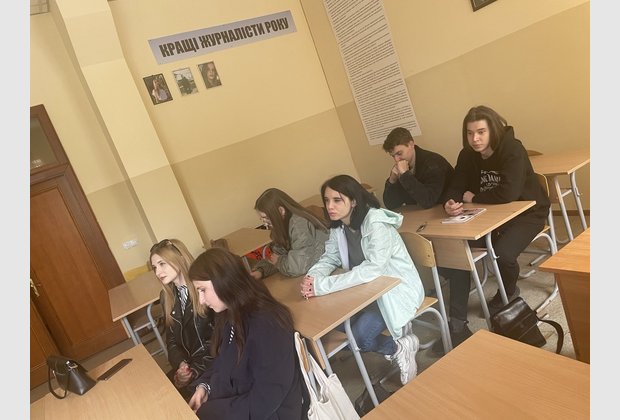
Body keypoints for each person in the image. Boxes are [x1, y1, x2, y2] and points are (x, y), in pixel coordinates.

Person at [436, 105, 550, 353]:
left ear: (493, 130)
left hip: (529, 211)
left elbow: (509, 193)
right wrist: (450, 202)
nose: (474, 139)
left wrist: (473, 197)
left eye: (481, 132)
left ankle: (508, 290)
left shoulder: (512, 149)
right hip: (490, 214)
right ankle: (457, 324)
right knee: (458, 250)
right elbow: (456, 184)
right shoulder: (467, 155)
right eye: (469, 133)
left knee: (503, 253)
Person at [300, 174, 425, 385]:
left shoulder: (376, 223)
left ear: (353, 201)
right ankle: (397, 347)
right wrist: (312, 278)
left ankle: (398, 348)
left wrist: (322, 286)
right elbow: (330, 257)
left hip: (393, 292)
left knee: (358, 339)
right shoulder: (339, 226)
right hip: (364, 292)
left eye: (337, 200)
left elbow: (372, 269)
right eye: (327, 200)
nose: (330, 206)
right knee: (332, 327)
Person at [187, 248, 305, 419]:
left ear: (224, 281)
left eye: (202, 290)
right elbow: (222, 360)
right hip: (240, 405)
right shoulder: (230, 312)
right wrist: (204, 387)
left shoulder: (266, 323)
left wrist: (208, 412)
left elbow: (266, 399)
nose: (201, 300)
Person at [149, 239, 215, 400]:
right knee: (157, 395)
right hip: (189, 366)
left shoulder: (205, 287)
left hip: (212, 364)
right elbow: (171, 340)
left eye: (162, 264)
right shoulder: (167, 296)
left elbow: (220, 340)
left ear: (180, 258)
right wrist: (181, 365)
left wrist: (193, 371)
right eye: (155, 267)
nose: (158, 272)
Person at [250, 188, 329, 280]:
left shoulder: (299, 224)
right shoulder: (282, 225)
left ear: (281, 211)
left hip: (331, 271)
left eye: (267, 218)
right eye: (262, 219)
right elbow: (277, 255)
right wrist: (260, 271)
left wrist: (279, 262)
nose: (265, 224)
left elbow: (298, 267)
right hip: (315, 271)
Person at [382, 127, 454, 210]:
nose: (396, 160)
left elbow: (428, 200)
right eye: (393, 156)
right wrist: (392, 181)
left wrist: (405, 175)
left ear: (411, 144)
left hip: (444, 210)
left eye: (399, 153)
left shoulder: (434, 162)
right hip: (419, 213)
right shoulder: (403, 166)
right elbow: (391, 205)